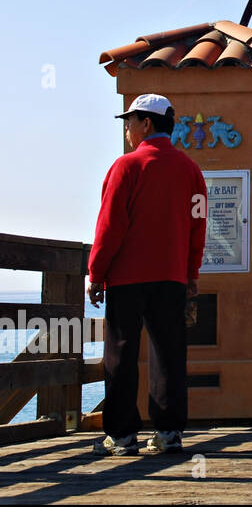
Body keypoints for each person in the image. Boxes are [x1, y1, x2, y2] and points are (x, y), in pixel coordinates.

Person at [88, 93, 207, 456]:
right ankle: (168, 432)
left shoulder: (125, 167)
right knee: (169, 353)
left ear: (147, 124)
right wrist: (190, 273)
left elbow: (110, 226)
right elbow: (197, 226)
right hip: (170, 277)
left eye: (130, 121)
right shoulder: (191, 171)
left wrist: (96, 272)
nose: (127, 129)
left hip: (127, 277)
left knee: (121, 352)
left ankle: (123, 435)